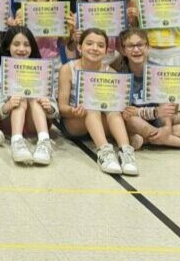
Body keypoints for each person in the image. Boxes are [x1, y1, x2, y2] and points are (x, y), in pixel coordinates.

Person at [58, 28, 138, 176]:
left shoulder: (111, 73)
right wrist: (73, 111)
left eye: (100, 45)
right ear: (80, 47)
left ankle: (126, 152)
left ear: (106, 50)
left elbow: (118, 107)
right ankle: (105, 152)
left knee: (113, 110)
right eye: (89, 44)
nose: (95, 48)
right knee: (91, 107)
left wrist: (124, 109)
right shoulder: (67, 69)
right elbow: (62, 108)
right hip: (75, 121)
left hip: (101, 122)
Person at [0, 27, 59, 165]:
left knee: (34, 97)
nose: (22, 49)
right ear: (8, 46)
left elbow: (54, 110)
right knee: (19, 98)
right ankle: (17, 141)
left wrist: (49, 107)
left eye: (26, 45)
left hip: (35, 123)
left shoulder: (42, 71)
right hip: (8, 123)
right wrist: (8, 105)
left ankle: (44, 142)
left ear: (32, 48)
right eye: (16, 44)